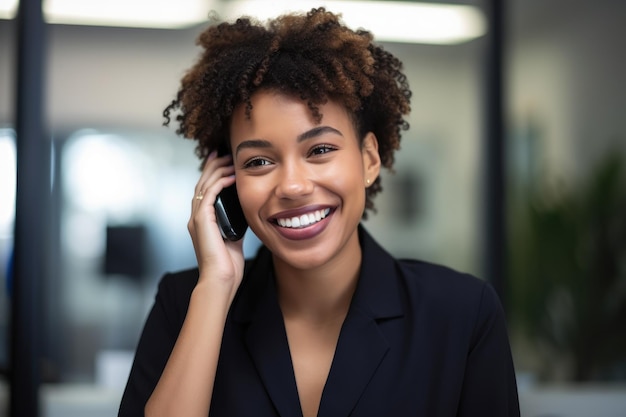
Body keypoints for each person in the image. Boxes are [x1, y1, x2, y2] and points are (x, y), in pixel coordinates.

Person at [118, 7, 519, 417]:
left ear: (368, 159)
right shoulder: (185, 303)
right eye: (258, 161)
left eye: (320, 150)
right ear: (226, 181)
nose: (293, 186)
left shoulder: (462, 314)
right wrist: (215, 289)